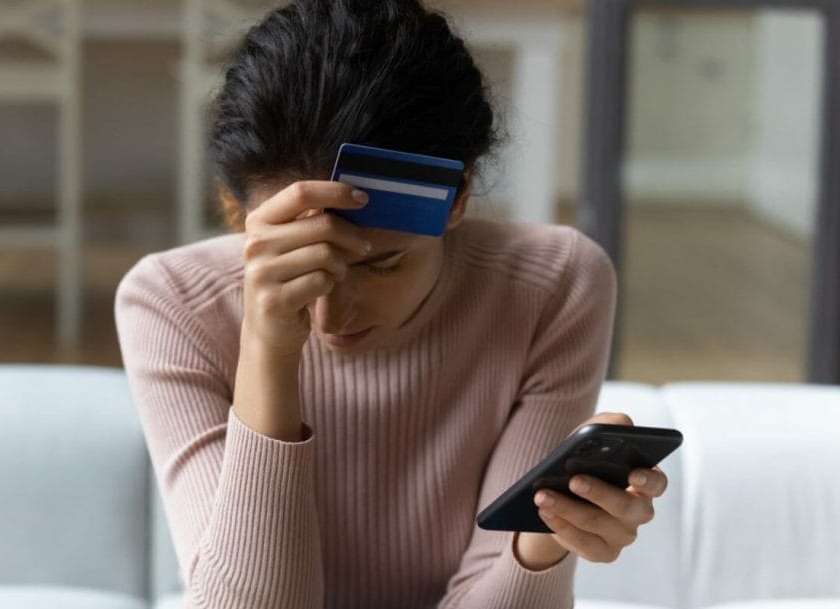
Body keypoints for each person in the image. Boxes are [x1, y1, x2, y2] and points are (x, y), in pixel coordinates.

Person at [114, 0, 668, 607]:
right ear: (237, 210)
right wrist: (268, 348)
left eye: (380, 263)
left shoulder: (553, 285)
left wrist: (544, 541)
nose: (329, 318)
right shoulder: (171, 303)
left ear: (456, 199)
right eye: (301, 264)